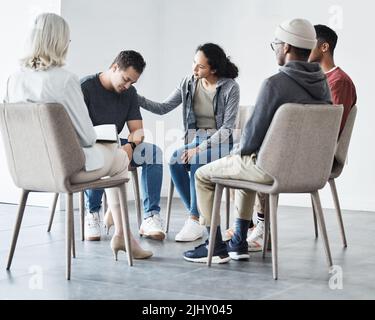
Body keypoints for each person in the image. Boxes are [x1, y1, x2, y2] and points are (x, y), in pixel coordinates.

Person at [4, 13, 152, 260]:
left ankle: (113, 228)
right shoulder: (66, 80)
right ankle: (123, 236)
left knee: (117, 156)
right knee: (119, 157)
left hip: (28, 171)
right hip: (68, 169)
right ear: (59, 41)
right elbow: (85, 136)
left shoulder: (13, 79)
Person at [184, 18, 332, 263]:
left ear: (285, 47)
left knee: (203, 174)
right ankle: (238, 242)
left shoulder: (275, 84)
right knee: (245, 168)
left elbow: (251, 137)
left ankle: (214, 246)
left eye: (275, 43)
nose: (275, 48)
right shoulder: (323, 85)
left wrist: (237, 151)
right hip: (309, 171)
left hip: (270, 170)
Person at [240, 23, 359, 253]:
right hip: (303, 149)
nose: (302, 47)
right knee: (257, 150)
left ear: (323, 47)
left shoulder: (337, 82)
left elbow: (330, 129)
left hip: (319, 156)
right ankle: (250, 223)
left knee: (258, 156)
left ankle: (259, 225)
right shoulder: (314, 81)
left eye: (309, 43)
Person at [138, 43, 240, 242]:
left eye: (200, 66)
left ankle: (194, 219)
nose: (194, 69)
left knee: (197, 160)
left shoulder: (230, 87)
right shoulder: (188, 83)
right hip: (196, 139)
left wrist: (199, 148)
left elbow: (227, 128)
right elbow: (163, 107)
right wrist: (136, 98)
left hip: (222, 142)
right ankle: (198, 217)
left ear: (214, 69)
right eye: (194, 63)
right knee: (175, 159)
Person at [81, 50, 165, 242]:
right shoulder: (85, 88)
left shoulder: (129, 93)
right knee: (100, 156)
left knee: (153, 153)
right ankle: (92, 213)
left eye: (132, 83)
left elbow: (137, 131)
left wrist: (130, 147)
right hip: (89, 146)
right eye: (126, 79)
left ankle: (151, 216)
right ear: (114, 67)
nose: (128, 86)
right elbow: (77, 131)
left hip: (117, 145)